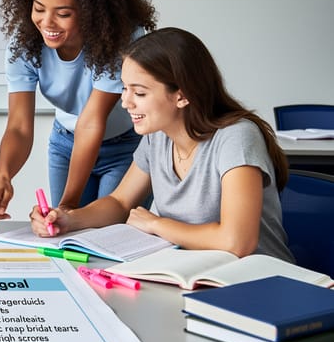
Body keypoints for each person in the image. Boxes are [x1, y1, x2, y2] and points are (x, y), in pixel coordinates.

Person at [33, 28, 294, 261]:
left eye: (140, 92)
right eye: (125, 89)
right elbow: (120, 203)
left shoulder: (237, 137)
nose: (126, 102)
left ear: (182, 96)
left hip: (259, 285)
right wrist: (69, 219)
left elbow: (238, 242)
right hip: (196, 274)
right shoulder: (157, 136)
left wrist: (157, 225)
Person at [0, 0, 158, 229]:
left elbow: (91, 122)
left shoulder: (121, 42)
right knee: (68, 238)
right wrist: (2, 176)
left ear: (92, 11)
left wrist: (67, 206)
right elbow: (19, 126)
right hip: (66, 143)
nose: (47, 22)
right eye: (39, 8)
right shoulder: (24, 46)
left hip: (126, 148)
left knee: (110, 235)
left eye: (63, 13)